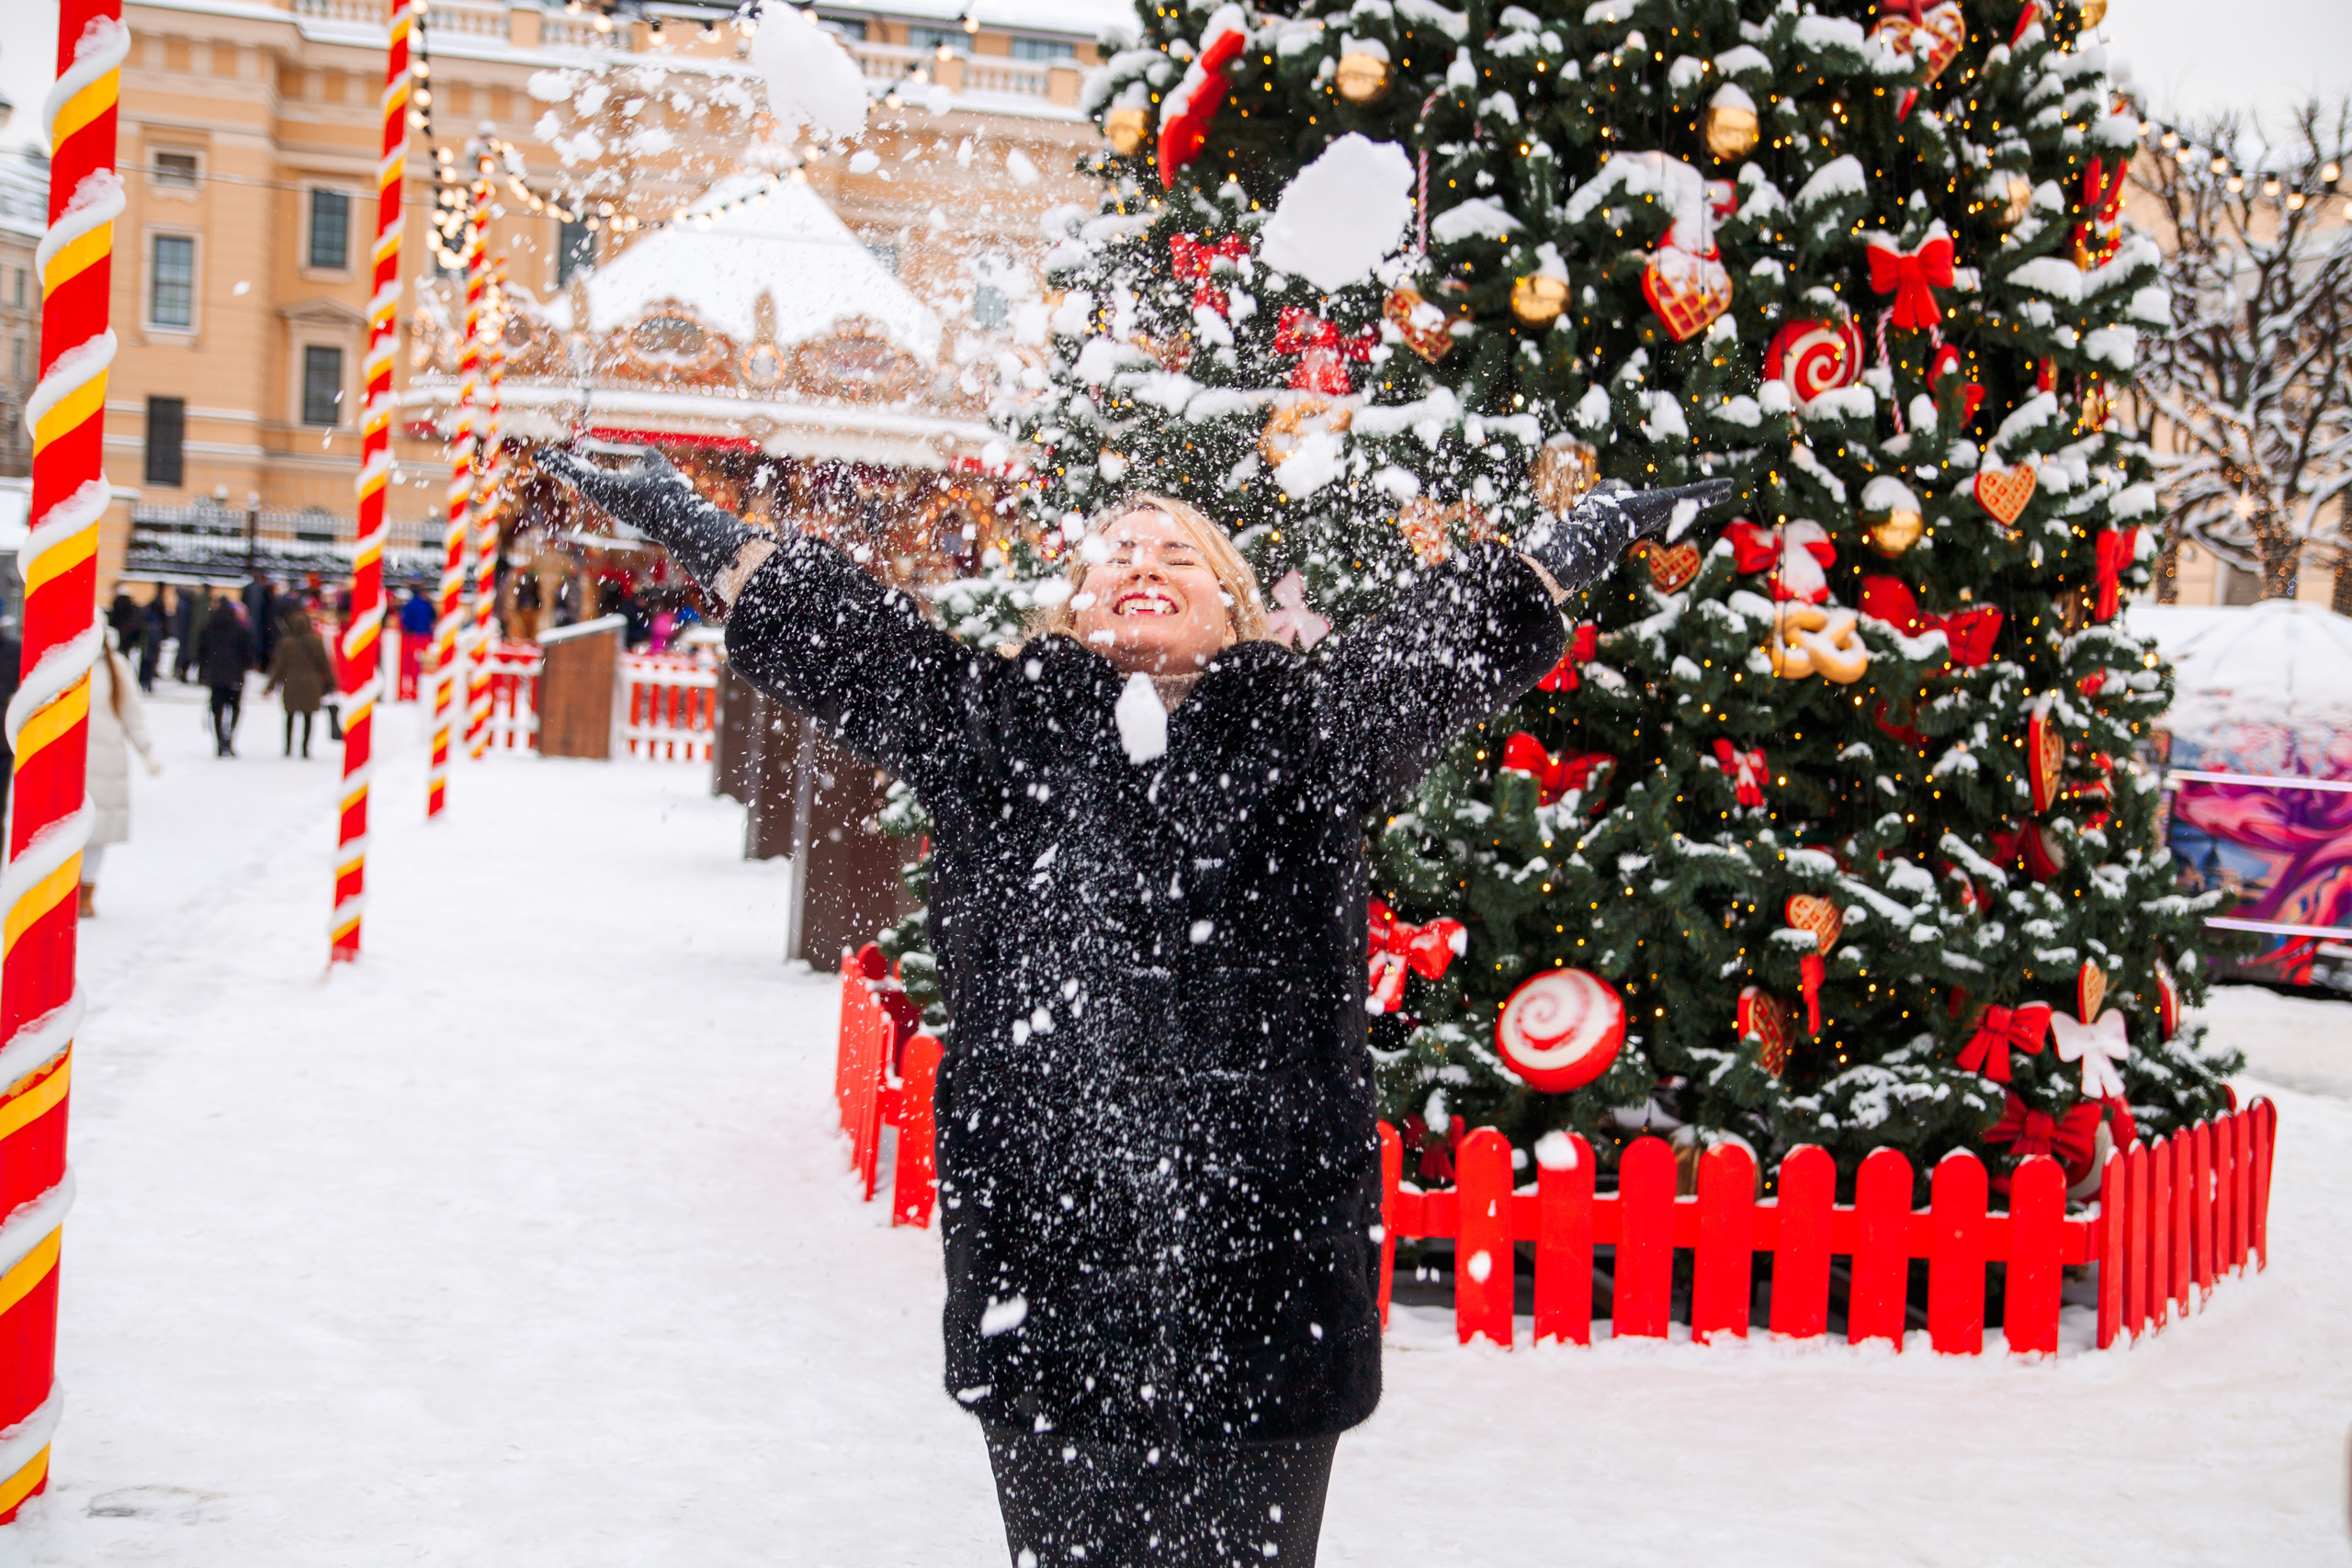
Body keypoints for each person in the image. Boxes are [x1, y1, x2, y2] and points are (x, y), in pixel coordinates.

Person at [543, 444, 1725, 1568]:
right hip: (1045, 1291)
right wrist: (695, 523)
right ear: (1070, 610)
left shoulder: (1312, 732)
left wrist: (1580, 538)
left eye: (1179, 554)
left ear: (1236, 607)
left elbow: (1446, 633)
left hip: (1268, 1301)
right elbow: (845, 636)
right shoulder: (986, 729)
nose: (1144, 564)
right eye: (1114, 553)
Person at [84, 630, 160, 918]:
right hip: (68, 763)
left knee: (98, 829)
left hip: (106, 762)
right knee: (65, 832)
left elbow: (131, 711)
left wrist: (147, 751)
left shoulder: (115, 665)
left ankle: (86, 893)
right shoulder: (58, 668)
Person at [264, 604, 337, 758]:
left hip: (291, 683)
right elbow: (325, 664)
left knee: (290, 717)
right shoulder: (316, 641)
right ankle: (305, 748)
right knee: (308, 717)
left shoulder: (286, 643)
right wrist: (332, 682)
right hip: (312, 684)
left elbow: (279, 667)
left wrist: (270, 686)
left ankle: (288, 747)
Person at [197, 596, 254, 756]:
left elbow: (201, 652)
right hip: (235, 675)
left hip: (215, 676)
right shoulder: (240, 629)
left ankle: (219, 740)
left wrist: (204, 671)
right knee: (235, 708)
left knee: (217, 709)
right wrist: (245, 666)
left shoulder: (208, 627)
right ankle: (229, 738)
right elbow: (248, 653)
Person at [398, 587, 435, 702]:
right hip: (426, 636)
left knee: (411, 664)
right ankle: (420, 687)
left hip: (412, 637)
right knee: (423, 664)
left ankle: (411, 688)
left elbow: (405, 621)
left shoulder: (408, 605)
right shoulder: (427, 605)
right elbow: (433, 618)